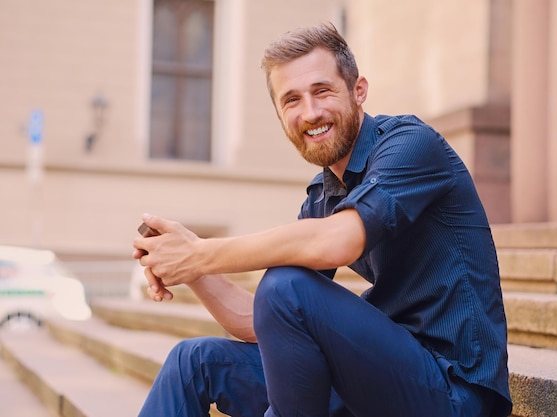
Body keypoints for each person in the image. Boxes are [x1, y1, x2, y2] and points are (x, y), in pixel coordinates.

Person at [133, 23, 513, 417]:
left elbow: (340, 241)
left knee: (286, 285)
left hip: (453, 393)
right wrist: (192, 268)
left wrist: (200, 254)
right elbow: (260, 320)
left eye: (322, 91)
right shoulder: (325, 193)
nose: (310, 113)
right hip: (379, 379)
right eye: (292, 100)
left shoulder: (411, 144)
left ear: (358, 90)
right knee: (193, 360)